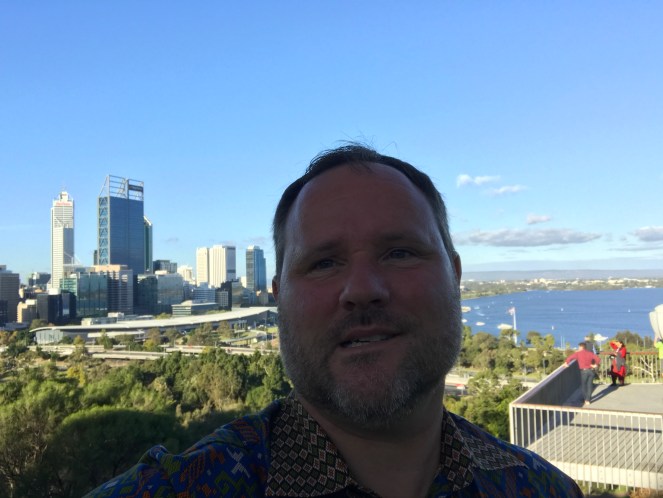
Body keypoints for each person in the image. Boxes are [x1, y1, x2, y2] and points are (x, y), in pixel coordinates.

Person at [85, 144, 583, 497]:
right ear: (278, 299)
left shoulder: (540, 488)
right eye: (323, 262)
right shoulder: (181, 488)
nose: (362, 289)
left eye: (400, 252)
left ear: (454, 276)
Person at [564, 342, 601, 406]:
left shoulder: (578, 353)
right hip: (591, 371)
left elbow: (570, 358)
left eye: (579, 347)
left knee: (584, 386)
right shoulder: (590, 353)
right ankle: (588, 400)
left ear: (581, 347)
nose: (578, 348)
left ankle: (586, 400)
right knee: (589, 385)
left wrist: (566, 363)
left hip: (584, 371)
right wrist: (595, 365)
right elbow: (598, 359)